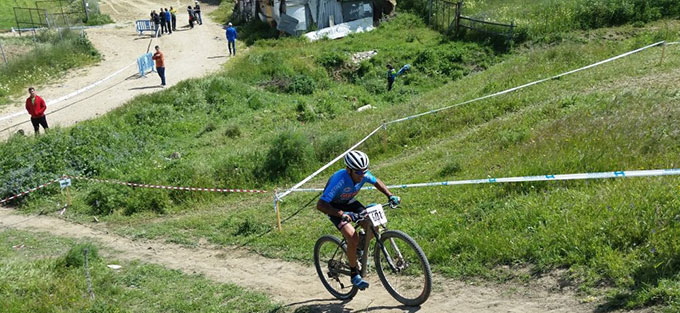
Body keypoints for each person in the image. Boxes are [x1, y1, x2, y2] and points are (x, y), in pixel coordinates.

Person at [316, 150, 400, 290]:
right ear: (349, 170)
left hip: (349, 202)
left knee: (373, 226)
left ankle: (358, 250)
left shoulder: (362, 173)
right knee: (351, 237)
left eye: (364, 172)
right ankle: (354, 273)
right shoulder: (340, 180)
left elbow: (376, 181)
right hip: (334, 207)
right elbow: (320, 205)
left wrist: (390, 195)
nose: (362, 176)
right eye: (358, 173)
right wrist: (342, 214)